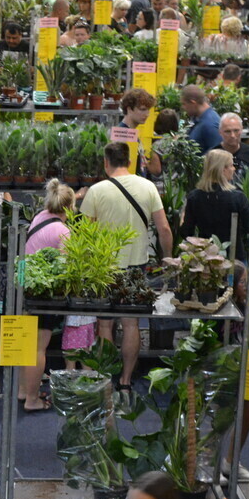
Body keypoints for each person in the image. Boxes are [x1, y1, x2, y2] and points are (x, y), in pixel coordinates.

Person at [80, 143, 171, 391]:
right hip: (137, 265)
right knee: (131, 324)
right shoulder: (148, 186)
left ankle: (106, 377)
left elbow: (85, 234)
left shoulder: (96, 191)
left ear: (106, 162)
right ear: (130, 161)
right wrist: (168, 257)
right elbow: (163, 228)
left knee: (105, 324)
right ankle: (126, 380)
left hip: (105, 268)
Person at [20, 180, 75, 412]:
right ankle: (32, 400)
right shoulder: (63, 231)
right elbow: (65, 266)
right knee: (38, 347)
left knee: (27, 344)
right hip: (43, 294)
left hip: (25, 287)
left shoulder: (40, 217)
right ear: (70, 207)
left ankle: (23, 390)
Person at [178, 149, 249, 262]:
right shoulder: (238, 198)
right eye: (231, 165)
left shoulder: (194, 197)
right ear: (223, 169)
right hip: (234, 258)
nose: (234, 169)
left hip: (206, 260)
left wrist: (182, 216)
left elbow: (186, 233)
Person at [118, 88, 161, 177]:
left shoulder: (131, 133)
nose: (147, 114)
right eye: (142, 109)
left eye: (148, 110)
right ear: (129, 109)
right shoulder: (121, 134)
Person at [217, 114, 249, 181]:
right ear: (220, 132)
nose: (232, 135)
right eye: (227, 131)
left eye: (236, 131)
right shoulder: (214, 156)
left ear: (242, 130)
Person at [182, 86, 220, 154]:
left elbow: (217, 156)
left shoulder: (210, 124)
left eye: (184, 104)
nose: (183, 108)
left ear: (193, 103)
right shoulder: (198, 119)